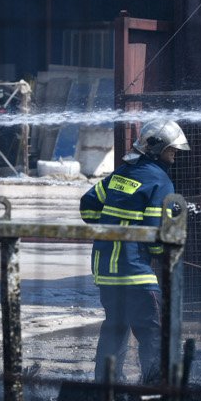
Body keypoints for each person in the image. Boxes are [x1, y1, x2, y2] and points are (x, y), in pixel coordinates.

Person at [80, 119, 190, 383]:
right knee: (152, 332)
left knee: (114, 329)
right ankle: (155, 389)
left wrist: (112, 227)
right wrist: (158, 251)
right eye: (171, 149)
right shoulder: (160, 180)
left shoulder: (121, 174)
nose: (175, 154)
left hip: (106, 271)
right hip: (136, 273)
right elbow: (154, 234)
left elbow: (87, 208)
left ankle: (106, 388)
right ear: (156, 147)